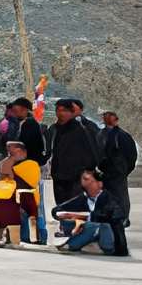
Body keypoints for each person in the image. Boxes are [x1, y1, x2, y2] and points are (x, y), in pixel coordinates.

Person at [46, 96, 104, 225]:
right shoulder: (54, 130)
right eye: (58, 110)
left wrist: (89, 170)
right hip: (59, 175)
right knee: (61, 206)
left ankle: (76, 230)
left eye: (64, 110)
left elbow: (94, 150)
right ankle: (65, 228)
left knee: (76, 208)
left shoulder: (82, 129)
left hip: (77, 176)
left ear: (72, 113)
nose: (60, 113)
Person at [54, 167, 130, 256]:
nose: (85, 184)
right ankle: (77, 244)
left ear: (99, 184)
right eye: (83, 180)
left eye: (88, 180)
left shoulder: (109, 199)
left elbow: (108, 217)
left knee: (96, 226)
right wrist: (60, 213)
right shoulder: (84, 198)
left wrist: (77, 216)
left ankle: (71, 245)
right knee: (73, 222)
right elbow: (60, 209)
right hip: (95, 235)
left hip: (113, 243)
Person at [97, 109, 136, 228]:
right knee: (105, 196)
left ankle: (123, 218)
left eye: (110, 116)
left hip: (118, 172)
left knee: (120, 195)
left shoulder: (123, 136)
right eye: (105, 116)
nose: (107, 119)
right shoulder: (100, 134)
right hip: (104, 172)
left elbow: (131, 155)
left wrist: (124, 170)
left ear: (116, 119)